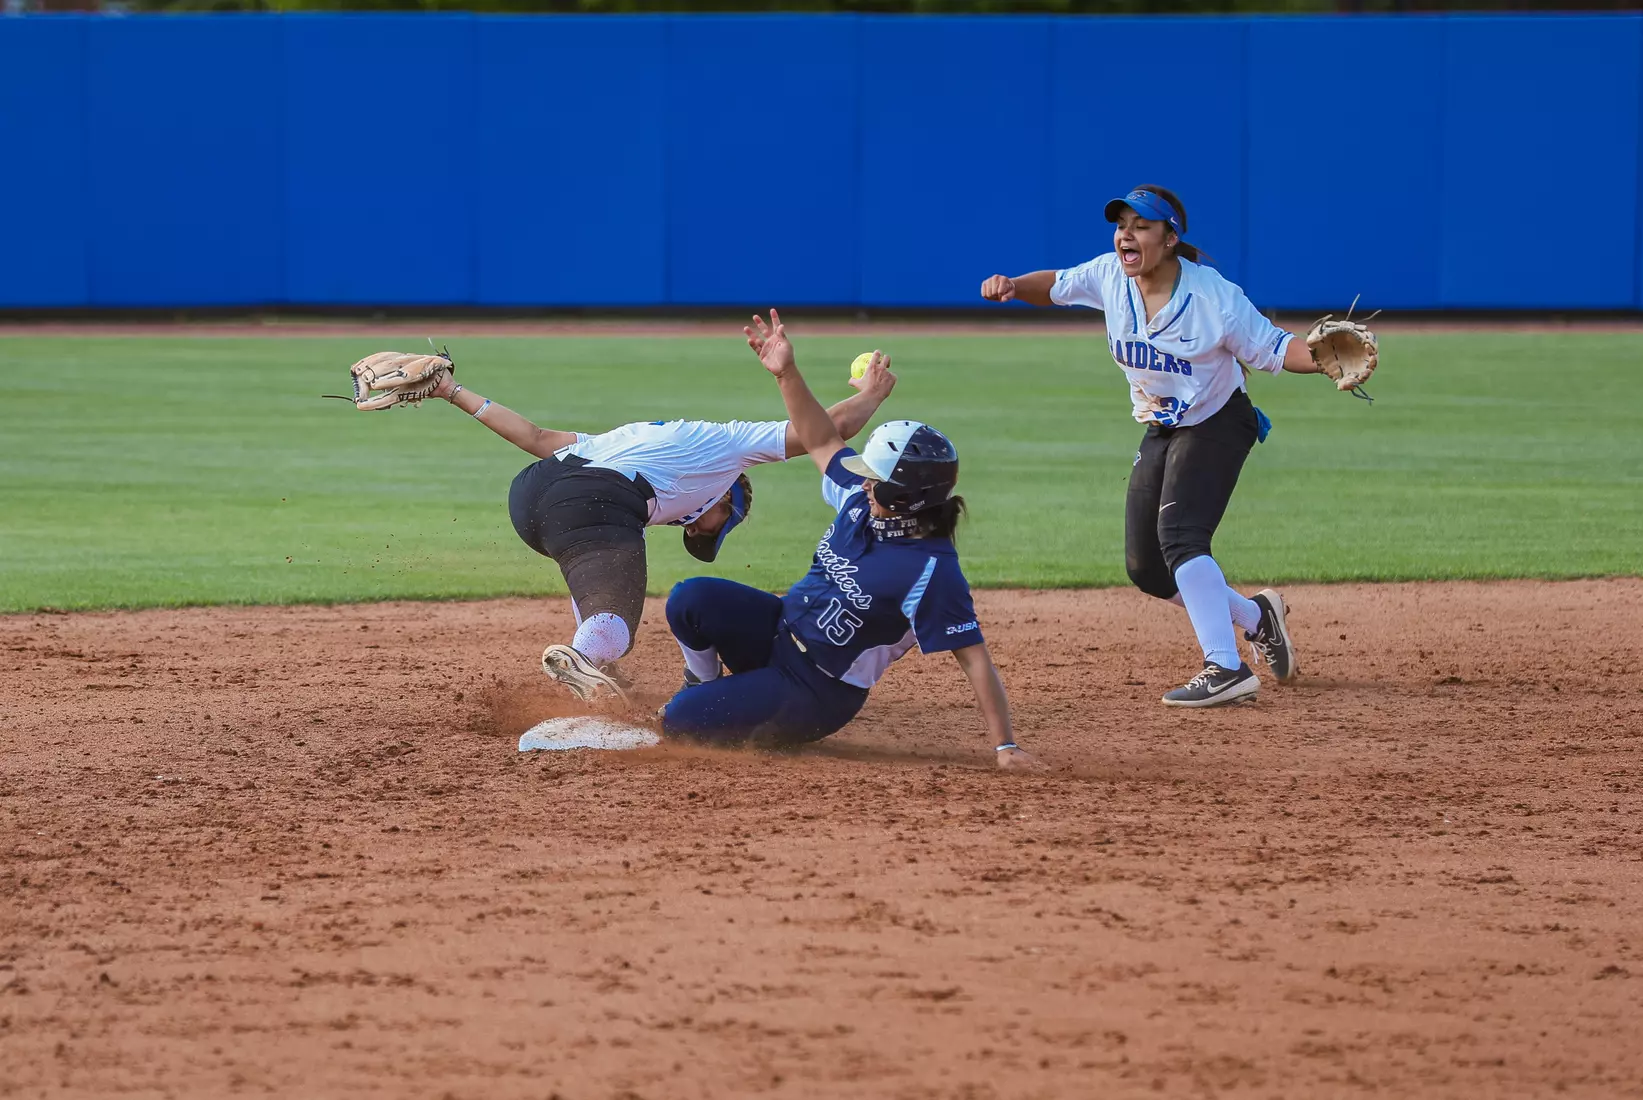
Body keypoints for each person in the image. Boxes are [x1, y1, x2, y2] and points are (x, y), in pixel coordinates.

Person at [980, 184, 1353, 708]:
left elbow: (1273, 347)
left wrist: (1321, 358)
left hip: (1219, 420)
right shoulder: (1110, 276)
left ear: (1171, 238)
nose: (1125, 234)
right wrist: (1015, 285)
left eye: (1141, 225)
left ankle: (1225, 668)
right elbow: (1058, 285)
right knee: (1148, 568)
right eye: (1121, 224)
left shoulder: (1213, 297)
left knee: (1180, 537)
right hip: (1162, 424)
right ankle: (1257, 618)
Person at [656, 309, 1043, 772]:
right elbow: (820, 438)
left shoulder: (930, 570)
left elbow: (974, 659)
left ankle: (741, 714)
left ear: (907, 496)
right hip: (778, 631)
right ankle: (703, 686)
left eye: (873, 479)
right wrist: (786, 373)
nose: (862, 483)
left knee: (679, 724)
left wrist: (1005, 747)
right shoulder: (861, 503)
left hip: (816, 691)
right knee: (691, 598)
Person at [424, 352, 896, 702]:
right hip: (595, 500)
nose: (696, 527)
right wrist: (871, 394)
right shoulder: (731, 449)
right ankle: (585, 655)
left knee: (597, 570)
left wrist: (451, 391)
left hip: (529, 497)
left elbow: (536, 438)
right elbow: (826, 429)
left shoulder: (633, 437)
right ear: (726, 498)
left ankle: (593, 657)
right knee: (615, 623)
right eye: (717, 523)